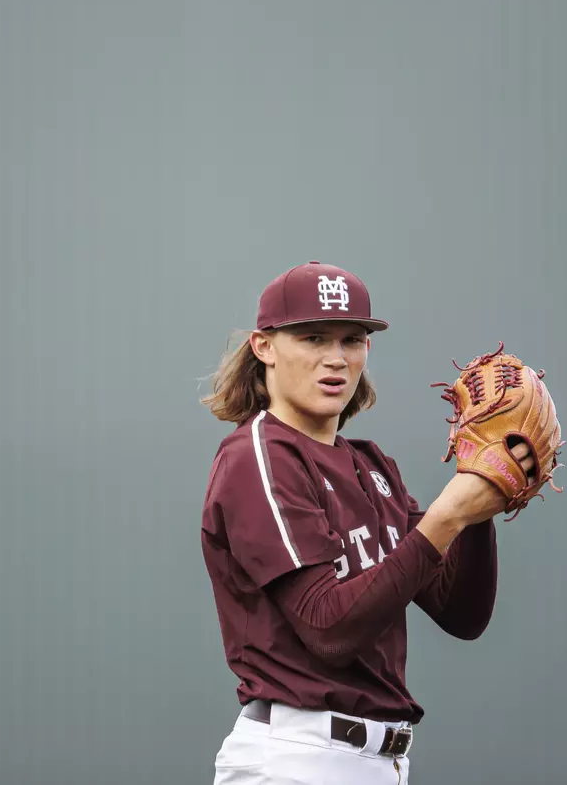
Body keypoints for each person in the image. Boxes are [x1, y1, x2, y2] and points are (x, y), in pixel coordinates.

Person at [200, 262, 537, 784]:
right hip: (296, 756)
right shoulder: (258, 457)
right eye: (313, 337)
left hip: (380, 762)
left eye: (351, 340)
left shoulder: (371, 466)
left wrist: (479, 504)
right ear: (263, 347)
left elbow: (462, 614)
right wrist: (448, 514)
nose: (335, 358)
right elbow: (328, 628)